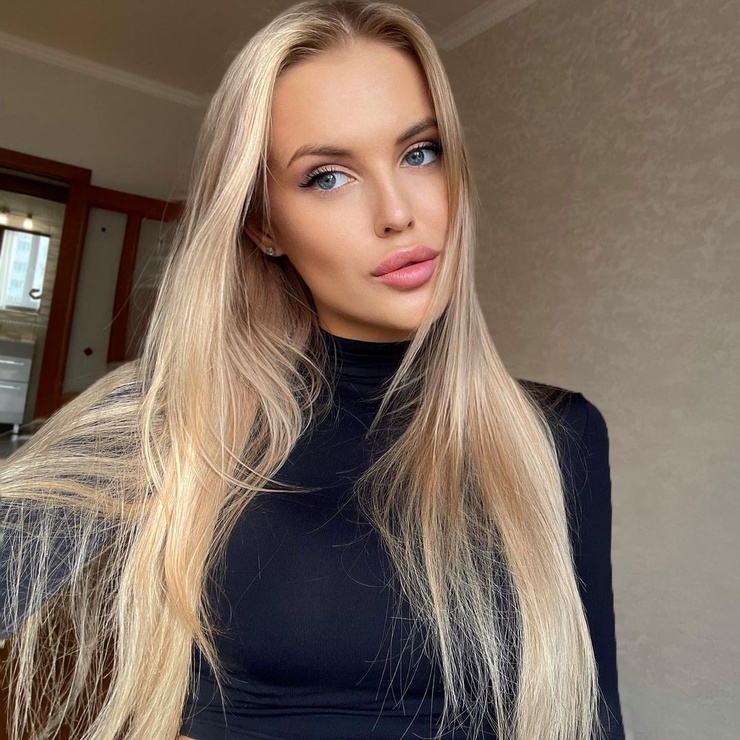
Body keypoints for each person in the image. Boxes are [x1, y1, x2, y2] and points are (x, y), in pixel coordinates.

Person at [0, 1, 625, 739]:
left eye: (420, 153)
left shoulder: (557, 436)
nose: (398, 212)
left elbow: (593, 717)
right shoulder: (177, 424)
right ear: (263, 224)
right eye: (328, 176)